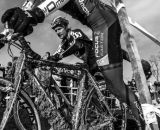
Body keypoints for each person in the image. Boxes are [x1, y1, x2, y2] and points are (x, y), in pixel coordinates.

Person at [0, 0, 145, 128]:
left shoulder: (74, 34)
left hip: (104, 22)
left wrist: (36, 13)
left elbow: (74, 45)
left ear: (65, 27)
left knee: (115, 86)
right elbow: (26, 10)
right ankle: (95, 117)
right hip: (92, 51)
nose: (57, 32)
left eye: (59, 28)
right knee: (90, 92)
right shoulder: (63, 44)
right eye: (55, 30)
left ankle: (142, 121)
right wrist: (5, 34)